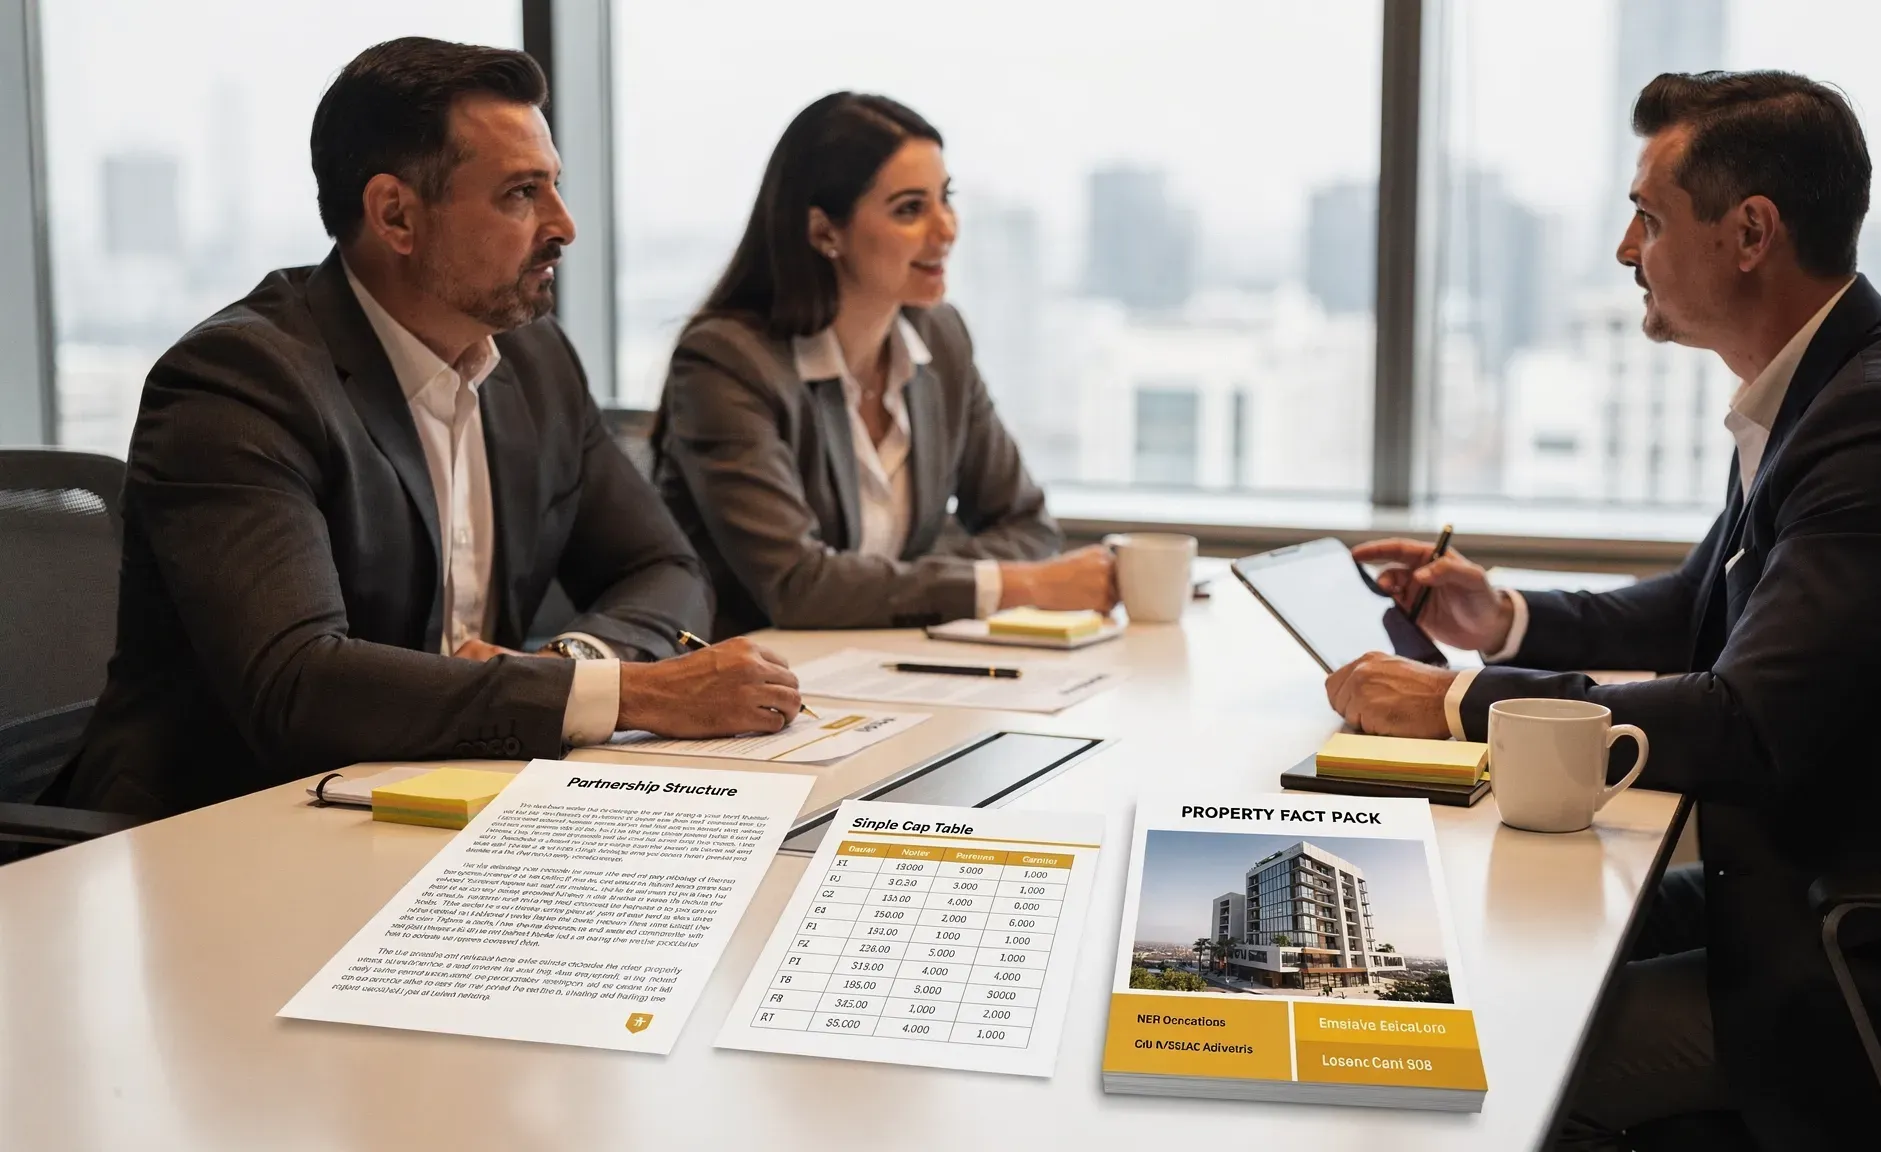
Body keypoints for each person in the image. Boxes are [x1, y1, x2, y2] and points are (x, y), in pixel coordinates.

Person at [1326, 71, 1881, 1149]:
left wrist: (1453, 703)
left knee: (1509, 1057)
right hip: (1794, 898)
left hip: (1875, 964)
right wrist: (1504, 619)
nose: (1625, 249)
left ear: (1748, 232)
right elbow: (1696, 608)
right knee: (1480, 949)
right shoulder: (1821, 391)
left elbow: (1743, 721)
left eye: (1649, 219)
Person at [53, 38, 802, 820]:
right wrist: (627, 693)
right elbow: (299, 685)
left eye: (556, 186)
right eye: (521, 193)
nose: (565, 225)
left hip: (446, 808)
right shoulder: (239, 383)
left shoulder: (535, 361)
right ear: (396, 215)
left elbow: (663, 565)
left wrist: (571, 660)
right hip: (223, 832)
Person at [652, 92, 1114, 639]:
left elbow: (1025, 523)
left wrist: (908, 584)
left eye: (946, 198)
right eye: (910, 209)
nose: (946, 229)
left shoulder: (941, 338)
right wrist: (1019, 586)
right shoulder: (726, 361)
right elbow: (797, 584)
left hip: (891, 668)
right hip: (750, 685)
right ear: (825, 232)